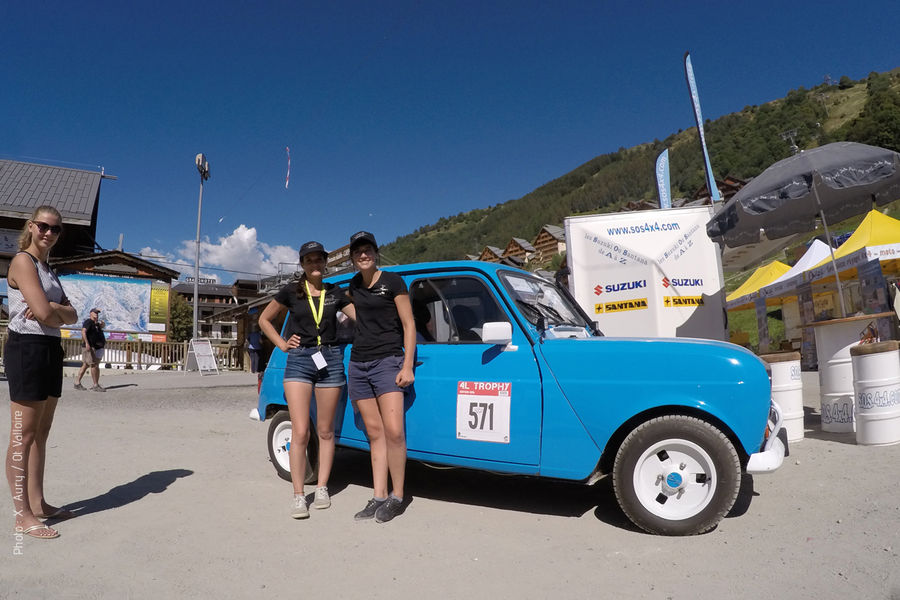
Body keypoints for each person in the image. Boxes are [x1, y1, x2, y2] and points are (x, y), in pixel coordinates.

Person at [258, 241, 356, 519]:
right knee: (301, 431)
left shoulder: (336, 293)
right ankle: (299, 495)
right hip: (299, 361)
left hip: (331, 360)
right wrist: (282, 343)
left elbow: (361, 317)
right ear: (302, 264)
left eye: (318, 259)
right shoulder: (291, 291)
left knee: (326, 431)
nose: (314, 264)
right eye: (309, 260)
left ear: (325, 263)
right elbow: (265, 320)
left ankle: (322, 487)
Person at [4, 206, 78, 539]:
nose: (49, 233)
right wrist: (53, 311)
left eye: (56, 229)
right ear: (32, 227)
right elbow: (43, 311)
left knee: (42, 434)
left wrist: (55, 311)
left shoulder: (49, 270)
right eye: (44, 227)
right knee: (23, 435)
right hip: (27, 349)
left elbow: (69, 314)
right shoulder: (23, 261)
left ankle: (39, 503)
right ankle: (22, 515)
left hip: (49, 348)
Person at [345, 231, 416, 524]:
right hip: (358, 364)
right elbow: (353, 313)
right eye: (358, 251)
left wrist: (407, 365)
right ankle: (378, 495)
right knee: (374, 433)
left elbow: (409, 324)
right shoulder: (352, 285)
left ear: (376, 253)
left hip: (388, 361)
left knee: (395, 431)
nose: (363, 255)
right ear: (353, 257)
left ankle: (397, 496)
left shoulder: (393, 281)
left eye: (368, 250)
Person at [73, 308, 106, 391]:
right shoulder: (88, 322)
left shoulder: (96, 324)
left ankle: (77, 382)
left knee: (86, 365)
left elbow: (99, 329)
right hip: (90, 347)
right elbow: (83, 331)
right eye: (95, 312)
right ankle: (95, 385)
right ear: (90, 313)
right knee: (94, 365)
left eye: (97, 313)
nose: (96, 314)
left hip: (97, 347)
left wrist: (102, 325)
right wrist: (87, 343)